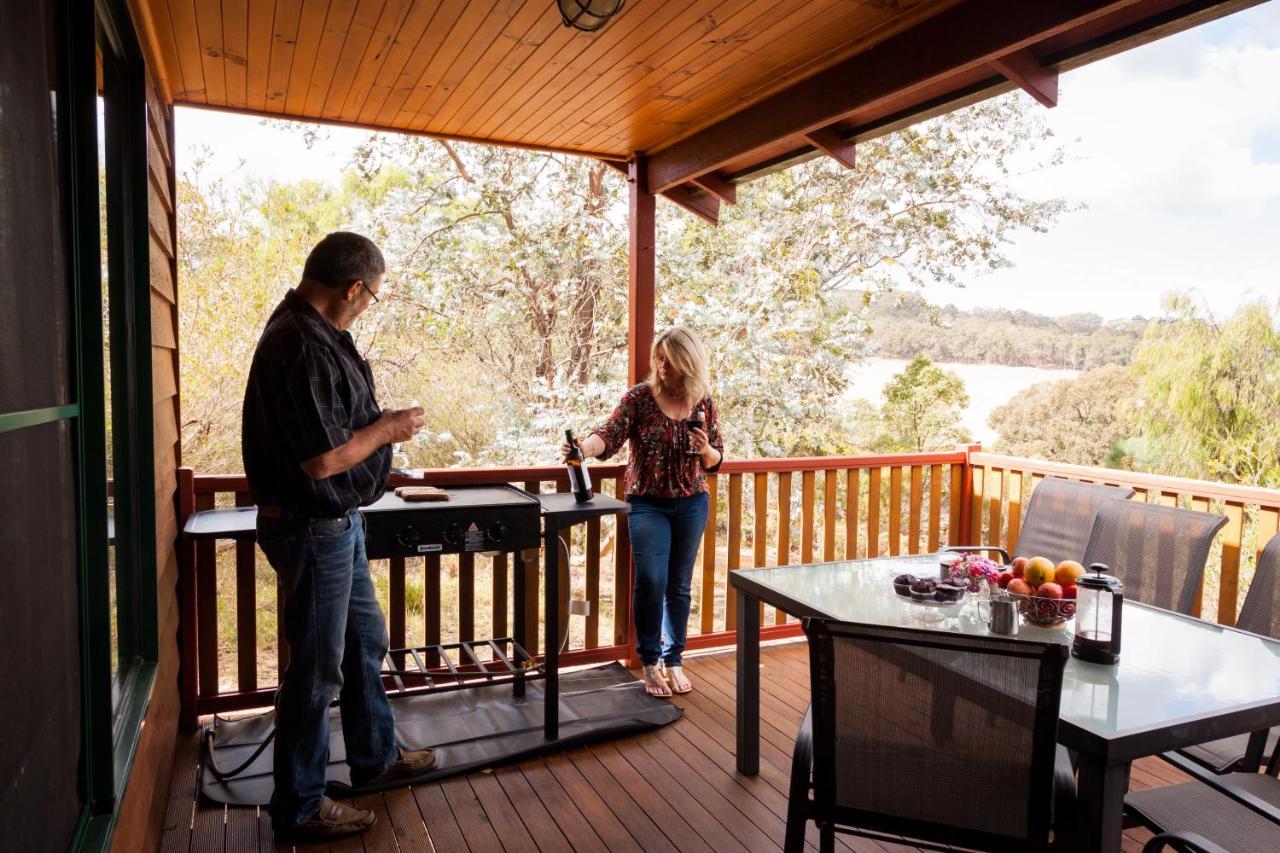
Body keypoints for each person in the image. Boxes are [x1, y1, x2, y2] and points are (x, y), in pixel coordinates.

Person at [242, 232, 434, 839]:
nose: (367, 304)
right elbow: (322, 460)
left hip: (337, 524)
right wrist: (390, 428)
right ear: (353, 288)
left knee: (363, 641)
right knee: (318, 672)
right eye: (371, 295)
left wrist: (376, 433)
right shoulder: (298, 342)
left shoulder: (316, 336)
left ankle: (375, 757)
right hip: (311, 527)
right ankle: (299, 806)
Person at [568, 327, 724, 697]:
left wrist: (704, 449)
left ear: (688, 362)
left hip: (692, 502)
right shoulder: (639, 398)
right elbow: (608, 434)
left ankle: (674, 660)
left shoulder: (703, 403)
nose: (661, 365)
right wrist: (583, 449)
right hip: (648, 503)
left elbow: (717, 460)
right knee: (652, 580)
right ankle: (650, 662)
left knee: (679, 586)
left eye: (669, 359)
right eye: (658, 358)